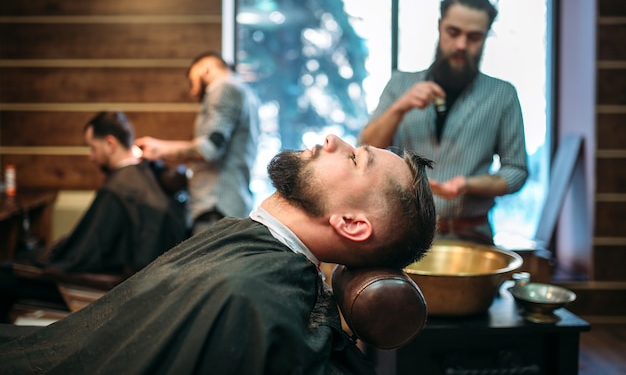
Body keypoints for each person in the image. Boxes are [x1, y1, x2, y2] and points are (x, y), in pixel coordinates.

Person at [0, 134, 436, 374]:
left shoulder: (251, 297)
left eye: (356, 159)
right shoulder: (249, 248)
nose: (332, 139)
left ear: (352, 224)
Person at [360, 0, 529, 245]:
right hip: (402, 234)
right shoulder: (399, 84)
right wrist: (400, 107)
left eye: (474, 37)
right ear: (440, 27)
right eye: (453, 33)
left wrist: (469, 184)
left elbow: (516, 171)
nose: (461, 45)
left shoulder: (503, 95)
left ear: (486, 37)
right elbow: (366, 148)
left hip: (471, 236)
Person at [0, 111, 188, 321]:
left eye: (92, 148)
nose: (91, 157)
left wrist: (46, 262)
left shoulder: (117, 189)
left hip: (105, 288)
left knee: (5, 276)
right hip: (145, 285)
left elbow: (83, 255)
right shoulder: (146, 176)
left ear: (110, 143)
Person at [135, 51, 260, 235]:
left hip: (215, 208)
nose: (193, 92)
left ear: (205, 69)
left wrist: (158, 149)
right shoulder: (246, 94)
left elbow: (209, 150)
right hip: (227, 206)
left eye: (192, 81)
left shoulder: (224, 89)